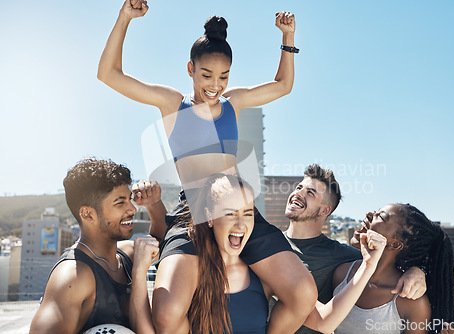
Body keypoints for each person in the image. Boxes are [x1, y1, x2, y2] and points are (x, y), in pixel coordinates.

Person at [99, 2, 317, 332]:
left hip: (238, 208)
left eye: (224, 77)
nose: (215, 85)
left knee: (303, 293)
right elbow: (108, 74)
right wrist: (125, 17)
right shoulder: (172, 103)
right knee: (169, 313)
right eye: (206, 75)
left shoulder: (235, 102)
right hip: (193, 212)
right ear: (190, 68)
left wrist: (287, 38)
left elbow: (283, 85)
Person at [280, 164, 428, 334]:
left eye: (310, 192)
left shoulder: (343, 259)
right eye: (299, 187)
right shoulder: (267, 246)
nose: (298, 193)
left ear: (325, 210)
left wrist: (417, 270)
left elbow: (381, 264)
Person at [133, 174, 288, 333]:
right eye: (230, 213)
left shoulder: (263, 276)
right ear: (210, 217)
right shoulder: (191, 276)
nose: (241, 224)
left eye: (248, 214)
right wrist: (139, 272)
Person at [29, 158, 159, 334]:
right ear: (88, 214)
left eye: (130, 199)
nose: (132, 209)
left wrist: (154, 204)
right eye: (120, 203)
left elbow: (169, 247)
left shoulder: (129, 253)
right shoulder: (72, 277)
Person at [304, 203, 454, 334]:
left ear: (394, 244)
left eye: (381, 217)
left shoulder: (411, 302)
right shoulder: (342, 273)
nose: (369, 214)